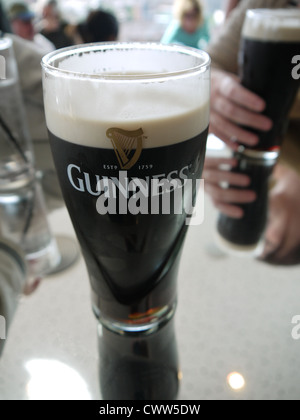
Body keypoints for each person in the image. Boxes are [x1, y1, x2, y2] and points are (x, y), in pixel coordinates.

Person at [204, 0, 300, 264]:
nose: (263, 232)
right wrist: (211, 89)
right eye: (268, 242)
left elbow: (207, 69)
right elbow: (208, 68)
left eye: (262, 242)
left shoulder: (260, 175)